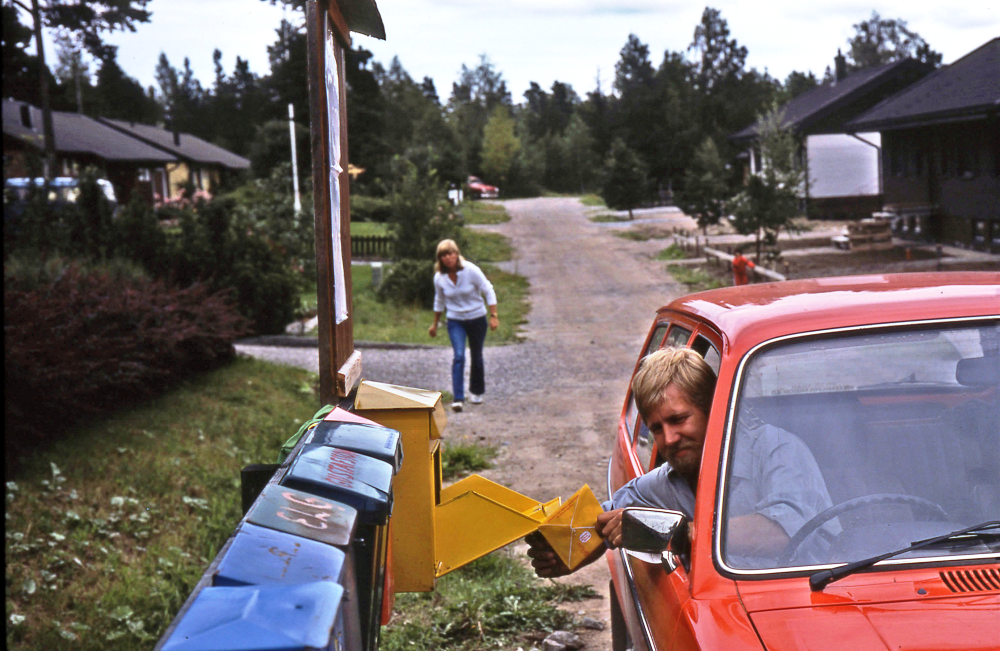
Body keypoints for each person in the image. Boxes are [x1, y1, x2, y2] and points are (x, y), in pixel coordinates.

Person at [527, 347, 834, 577]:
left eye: (678, 419)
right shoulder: (660, 484)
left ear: (713, 411)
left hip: (816, 593)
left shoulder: (776, 449)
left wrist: (679, 532)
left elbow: (783, 533)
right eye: (657, 428)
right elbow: (599, 525)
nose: (669, 439)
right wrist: (562, 554)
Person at [428, 239, 498, 412]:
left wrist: (494, 315)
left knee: (477, 355)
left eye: (450, 253)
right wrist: (434, 324)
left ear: (457, 254)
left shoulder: (471, 270)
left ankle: (477, 391)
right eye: (443, 255)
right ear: (440, 259)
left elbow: (487, 289)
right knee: (459, 355)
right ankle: (458, 397)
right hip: (455, 320)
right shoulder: (440, 277)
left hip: (477, 317)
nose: (448, 258)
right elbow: (440, 300)